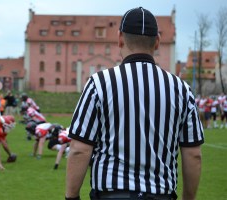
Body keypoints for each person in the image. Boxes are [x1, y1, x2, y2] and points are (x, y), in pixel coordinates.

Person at [66, 7, 204, 200]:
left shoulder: (99, 84)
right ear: (157, 42)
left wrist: (71, 196)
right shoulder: (181, 89)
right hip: (160, 194)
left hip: (111, 193)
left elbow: (79, 149)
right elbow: (193, 154)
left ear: (120, 38)